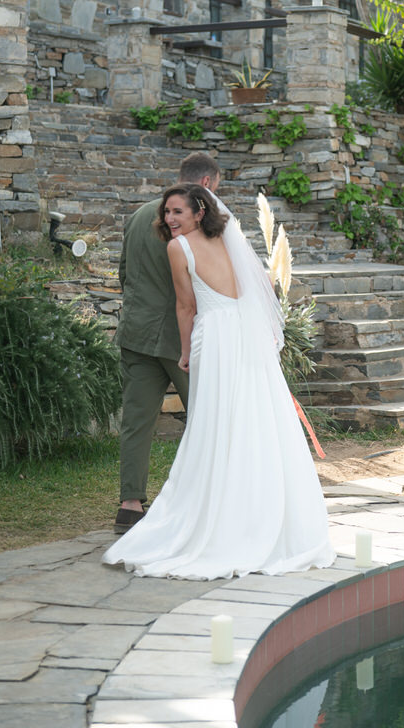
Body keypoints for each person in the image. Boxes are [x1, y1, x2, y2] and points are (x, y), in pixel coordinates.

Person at [102, 183, 335, 579]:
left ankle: (206, 516)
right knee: (247, 422)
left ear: (198, 212)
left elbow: (186, 305)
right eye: (167, 212)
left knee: (211, 427)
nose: (169, 219)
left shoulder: (179, 247)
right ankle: (253, 514)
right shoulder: (230, 244)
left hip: (208, 337)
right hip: (242, 337)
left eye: (177, 213)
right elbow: (249, 293)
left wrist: (188, 351)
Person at [113, 152, 222, 535]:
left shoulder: (142, 214)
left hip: (137, 335)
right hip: (184, 342)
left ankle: (129, 506)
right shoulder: (196, 228)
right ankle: (207, 504)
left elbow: (125, 273)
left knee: (136, 421)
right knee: (208, 419)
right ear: (207, 185)